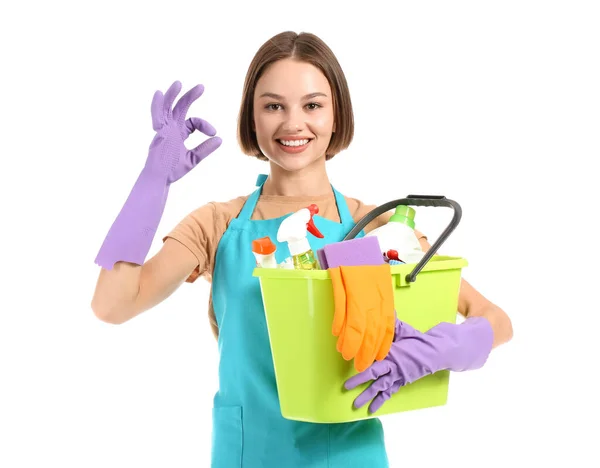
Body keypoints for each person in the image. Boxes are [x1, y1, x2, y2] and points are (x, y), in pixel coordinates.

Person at [91, 31, 513, 468]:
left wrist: (439, 350)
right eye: (274, 106)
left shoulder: (380, 231)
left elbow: (496, 320)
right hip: (248, 454)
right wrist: (152, 183)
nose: (293, 123)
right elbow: (113, 305)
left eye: (312, 105)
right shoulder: (218, 225)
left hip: (350, 457)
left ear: (336, 116)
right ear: (252, 119)